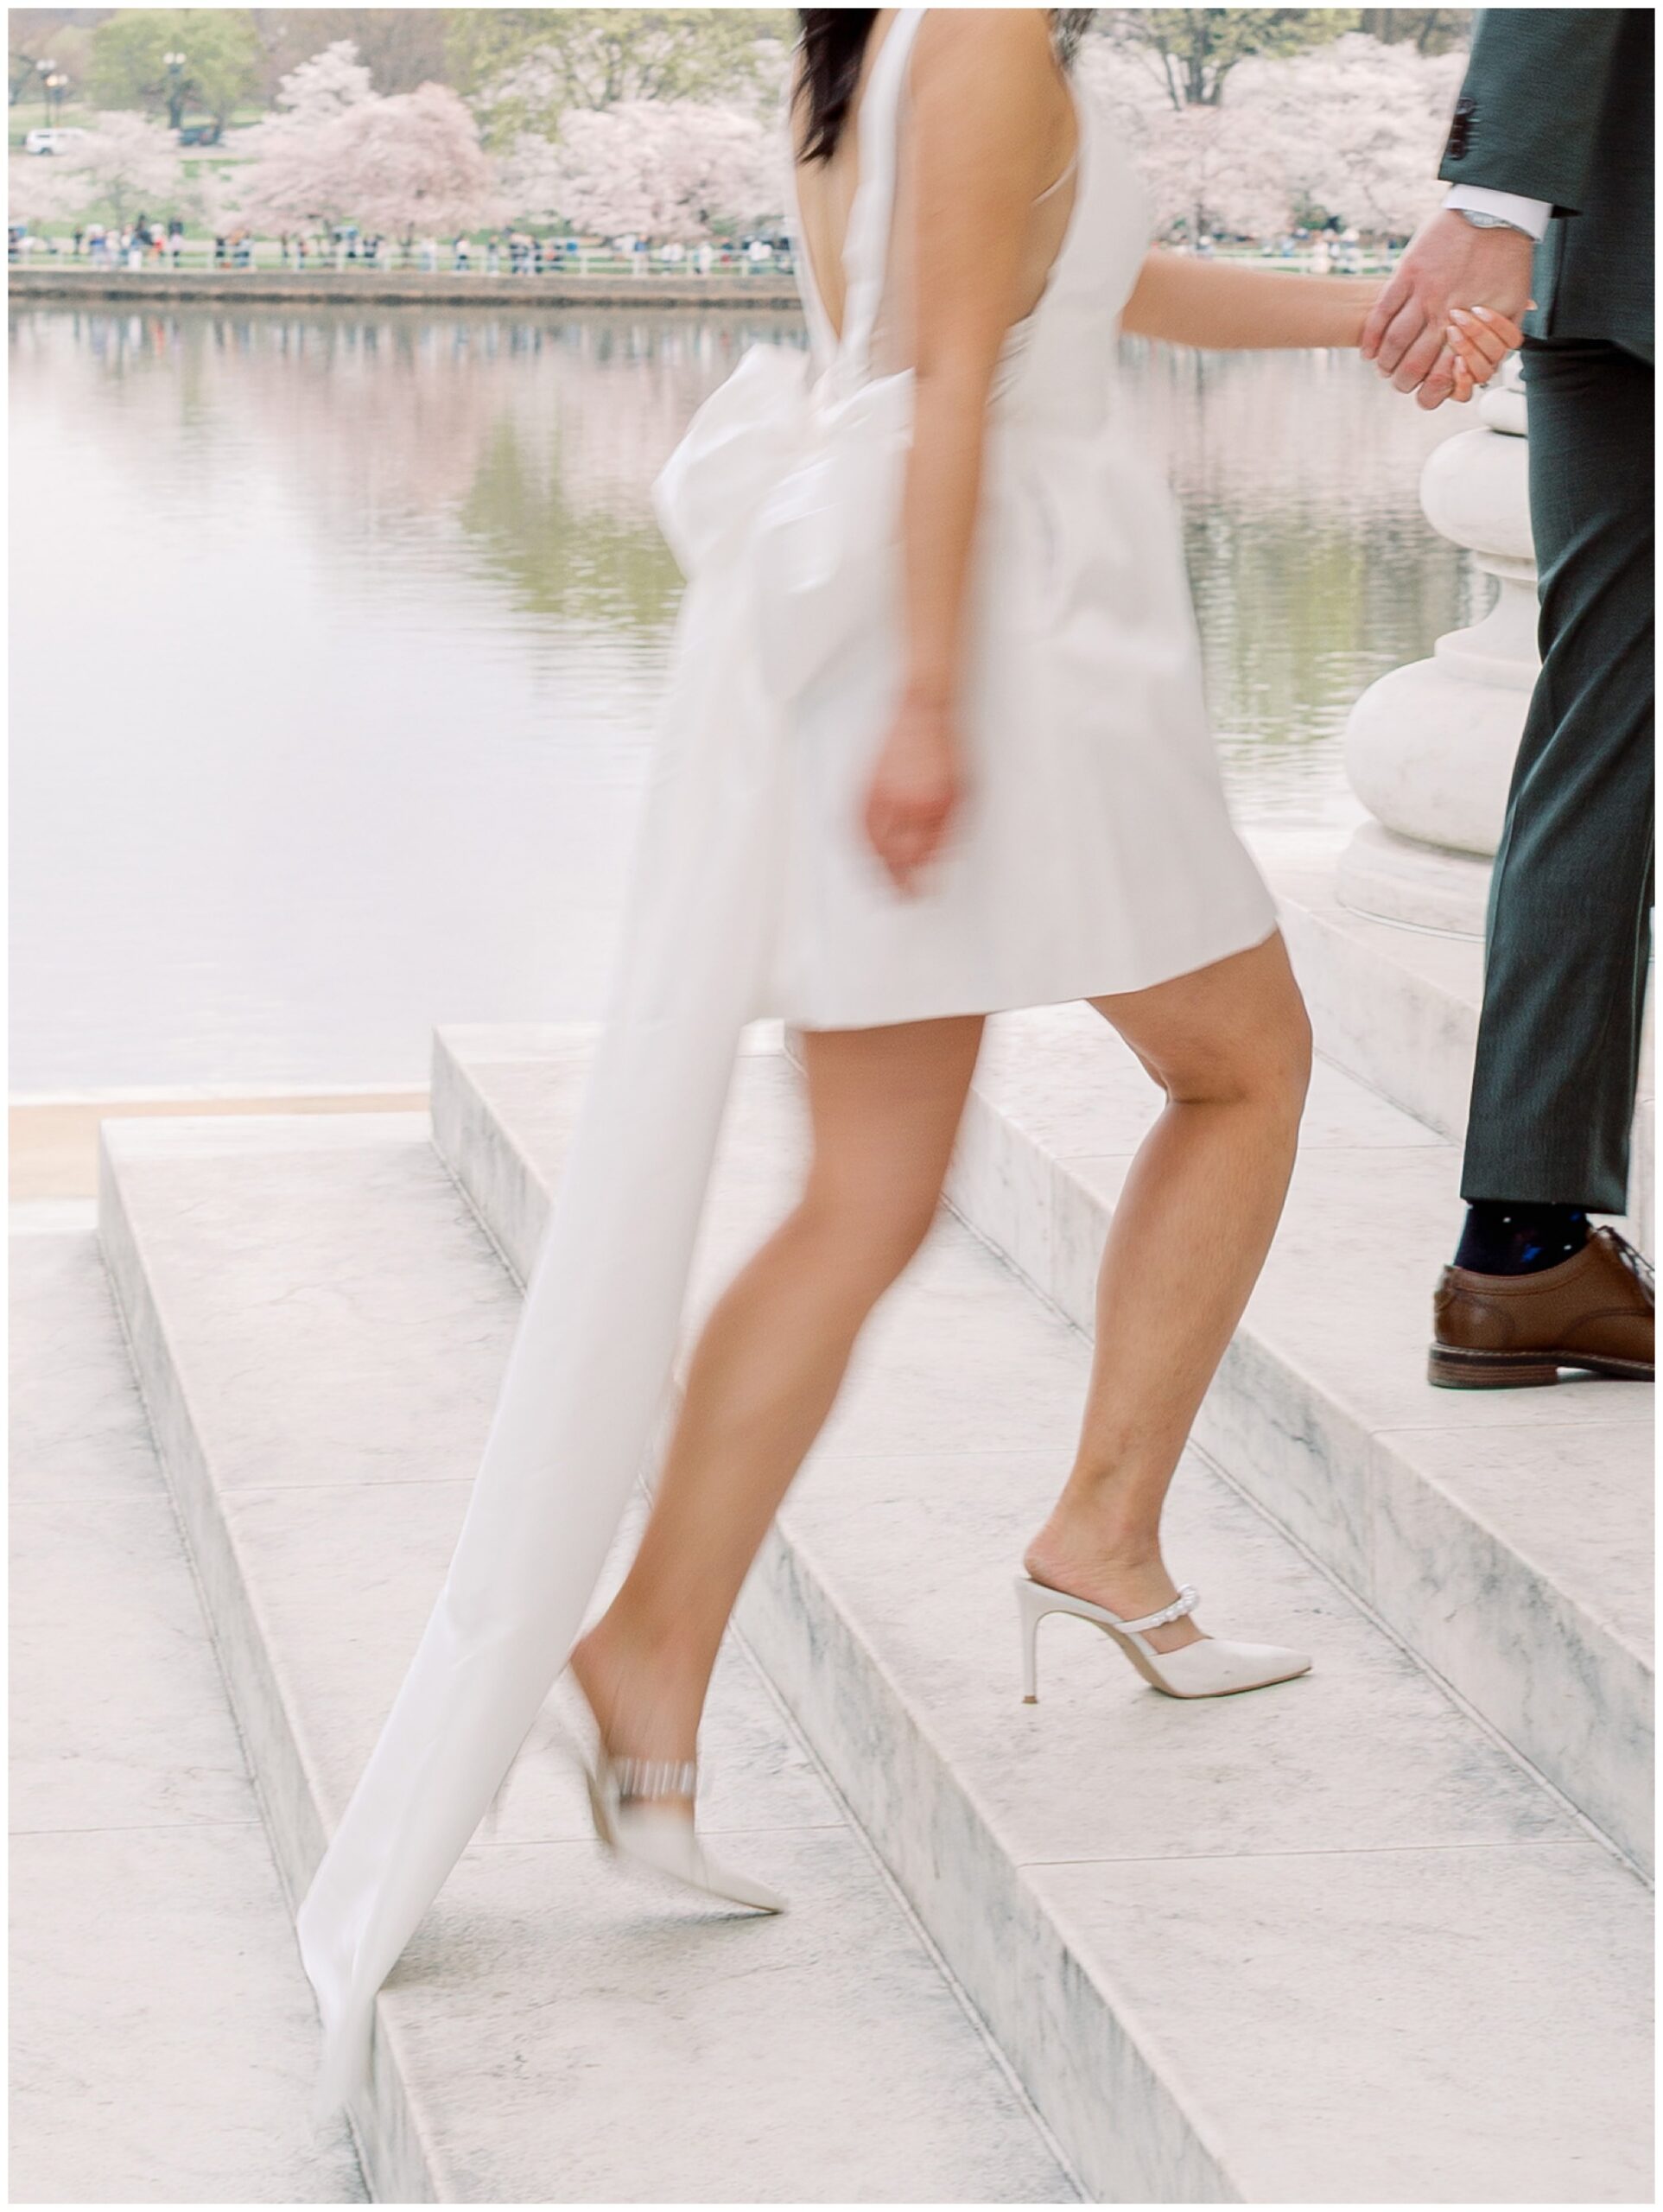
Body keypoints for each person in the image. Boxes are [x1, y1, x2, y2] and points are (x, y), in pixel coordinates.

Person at [296, 5, 1517, 2110]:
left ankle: (704, 1633)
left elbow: (1061, 293)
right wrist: (939, 705)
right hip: (1008, 627)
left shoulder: (933, 37)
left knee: (899, 1180)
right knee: (1228, 1067)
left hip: (957, 600)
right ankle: (1044, 1549)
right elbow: (955, 375)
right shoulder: (981, 39)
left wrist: (1359, 312)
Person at [1361, 9, 1654, 1388]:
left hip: (1605, 246)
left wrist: (1504, 196)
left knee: (1599, 727)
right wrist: (1489, 201)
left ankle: (1522, 1251)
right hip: (1580, 230)